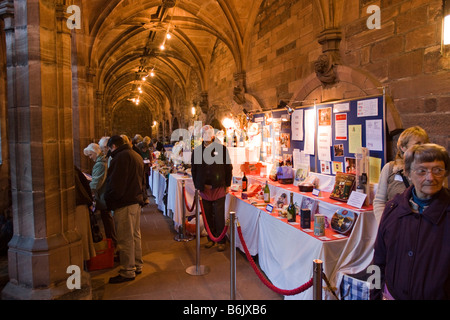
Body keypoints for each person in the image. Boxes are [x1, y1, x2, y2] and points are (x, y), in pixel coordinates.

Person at [371, 143, 450, 300]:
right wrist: (373, 295)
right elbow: (377, 260)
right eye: (422, 171)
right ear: (407, 172)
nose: (430, 177)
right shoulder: (393, 209)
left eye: (438, 170)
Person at [104, 135, 146, 283]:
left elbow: (116, 185)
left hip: (124, 202)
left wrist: (109, 199)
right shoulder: (135, 154)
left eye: (109, 149)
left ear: (113, 146)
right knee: (134, 235)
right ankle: (137, 264)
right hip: (135, 200)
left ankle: (128, 270)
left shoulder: (121, 158)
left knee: (125, 237)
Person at [373, 126, 429, 222]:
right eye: (418, 143)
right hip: (395, 225)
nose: (423, 147)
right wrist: (384, 224)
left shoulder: (431, 170)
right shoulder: (390, 168)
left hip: (423, 226)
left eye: (425, 143)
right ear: (403, 147)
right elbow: (379, 201)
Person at [191, 125, 233, 252]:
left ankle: (221, 240)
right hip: (204, 188)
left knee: (219, 215)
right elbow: (194, 170)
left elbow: (228, 168)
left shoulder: (221, 149)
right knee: (207, 215)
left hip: (219, 186)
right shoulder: (197, 151)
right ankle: (211, 238)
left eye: (208, 133)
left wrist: (227, 184)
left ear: (213, 135)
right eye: (203, 133)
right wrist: (197, 186)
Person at [83, 143, 117, 250]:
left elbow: (96, 183)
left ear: (94, 152)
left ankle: (113, 246)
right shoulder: (102, 161)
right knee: (107, 221)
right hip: (103, 197)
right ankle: (112, 245)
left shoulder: (100, 164)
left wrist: (86, 189)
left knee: (108, 223)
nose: (90, 158)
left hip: (103, 198)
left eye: (90, 155)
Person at [73, 165, 97, 268]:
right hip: (82, 204)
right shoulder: (74, 169)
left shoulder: (70, 170)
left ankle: (79, 271)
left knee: (81, 240)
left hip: (78, 206)